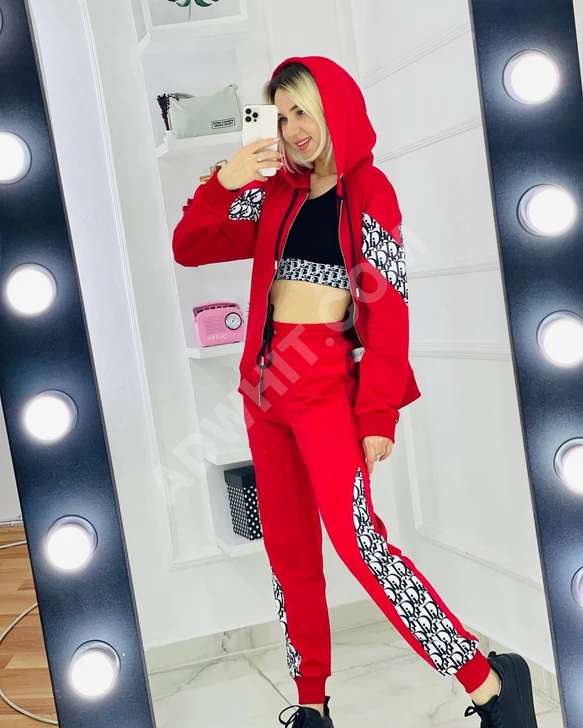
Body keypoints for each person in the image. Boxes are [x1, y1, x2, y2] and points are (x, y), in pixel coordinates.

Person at [172, 56, 538, 728]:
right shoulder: (273, 192)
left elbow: (389, 309)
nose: (292, 128)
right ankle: (311, 704)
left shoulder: (370, 191)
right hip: (264, 393)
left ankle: (487, 681)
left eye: (302, 111)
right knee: (288, 554)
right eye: (282, 115)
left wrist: (377, 414)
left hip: (323, 389)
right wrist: (224, 183)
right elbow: (189, 246)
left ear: (331, 109)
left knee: (362, 548)